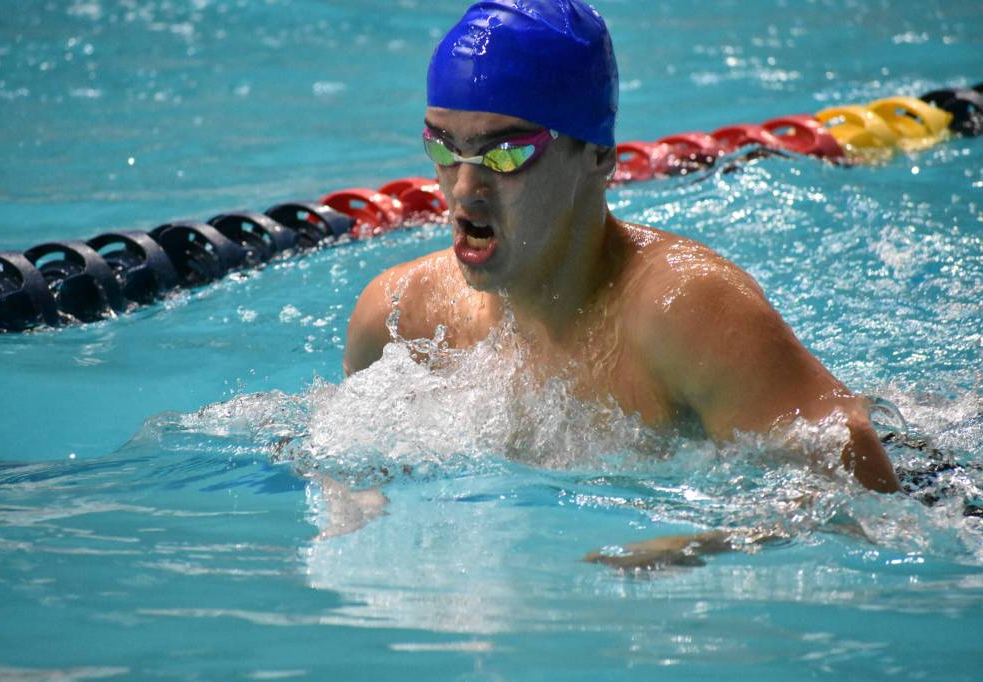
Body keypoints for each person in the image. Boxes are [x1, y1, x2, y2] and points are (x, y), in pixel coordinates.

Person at [343, 0, 900, 565]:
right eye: (443, 147)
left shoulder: (685, 309)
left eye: (506, 153)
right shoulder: (398, 319)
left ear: (600, 157)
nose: (464, 189)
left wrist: (702, 545)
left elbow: (861, 478)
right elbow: (350, 474)